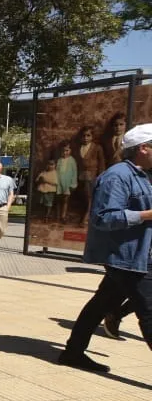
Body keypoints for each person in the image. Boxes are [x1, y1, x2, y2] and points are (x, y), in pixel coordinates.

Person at [59, 123, 152, 373]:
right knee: (149, 311)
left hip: (141, 253)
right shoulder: (117, 176)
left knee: (100, 304)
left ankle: (73, 352)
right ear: (143, 148)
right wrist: (146, 215)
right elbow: (103, 218)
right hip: (128, 256)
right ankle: (73, 352)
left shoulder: (144, 176)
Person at [77, 126, 106, 222]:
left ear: (92, 136)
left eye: (88, 135)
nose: (85, 138)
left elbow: (101, 163)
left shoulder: (97, 148)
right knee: (83, 195)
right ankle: (83, 212)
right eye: (84, 136)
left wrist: (101, 176)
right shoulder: (78, 147)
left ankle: (87, 214)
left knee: (89, 195)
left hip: (92, 175)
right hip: (80, 175)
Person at [56, 143, 78, 223]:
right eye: (63, 151)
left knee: (65, 200)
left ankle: (63, 216)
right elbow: (56, 171)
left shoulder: (72, 160)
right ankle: (57, 215)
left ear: (70, 151)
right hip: (59, 182)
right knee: (58, 199)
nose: (65, 152)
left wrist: (73, 183)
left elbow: (74, 172)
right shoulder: (59, 160)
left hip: (67, 183)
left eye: (67, 150)